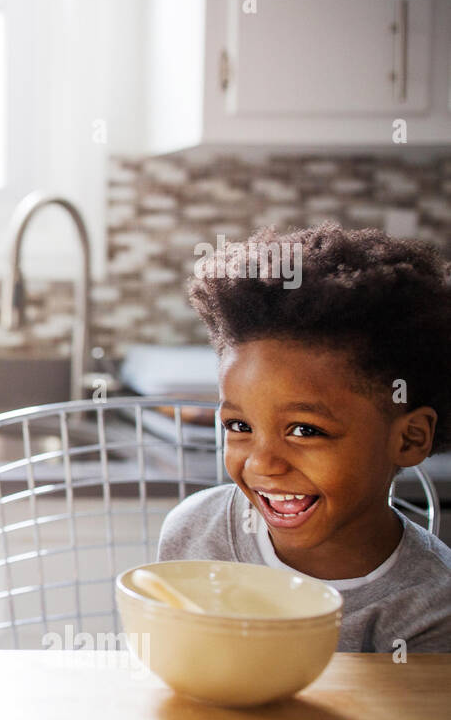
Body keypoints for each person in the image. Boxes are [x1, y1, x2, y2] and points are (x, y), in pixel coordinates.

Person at [157, 222, 451, 652]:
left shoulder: (431, 607)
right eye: (240, 426)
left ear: (408, 439)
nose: (262, 464)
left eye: (304, 430)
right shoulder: (196, 534)